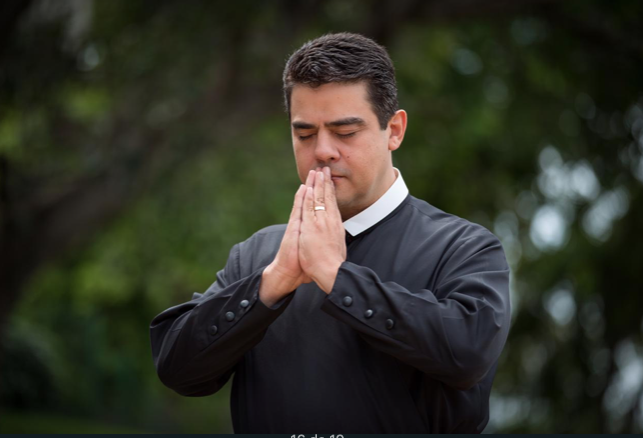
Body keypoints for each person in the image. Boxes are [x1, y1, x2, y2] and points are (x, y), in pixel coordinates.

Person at [150, 32, 511, 433]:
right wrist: (272, 284)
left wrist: (339, 278)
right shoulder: (258, 255)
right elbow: (177, 370)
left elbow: (467, 355)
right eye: (304, 134)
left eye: (345, 132)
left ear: (394, 129)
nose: (322, 151)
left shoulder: (465, 248)